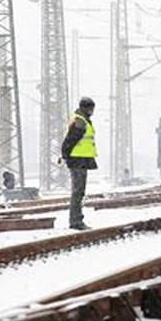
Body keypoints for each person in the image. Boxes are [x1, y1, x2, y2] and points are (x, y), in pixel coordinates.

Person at [61, 97, 98, 230]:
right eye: (90, 108)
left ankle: (76, 220)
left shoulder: (83, 120)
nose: (92, 111)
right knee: (78, 192)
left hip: (81, 159)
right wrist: (65, 155)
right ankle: (76, 221)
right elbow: (70, 140)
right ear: (84, 108)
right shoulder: (80, 122)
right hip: (77, 160)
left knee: (79, 192)